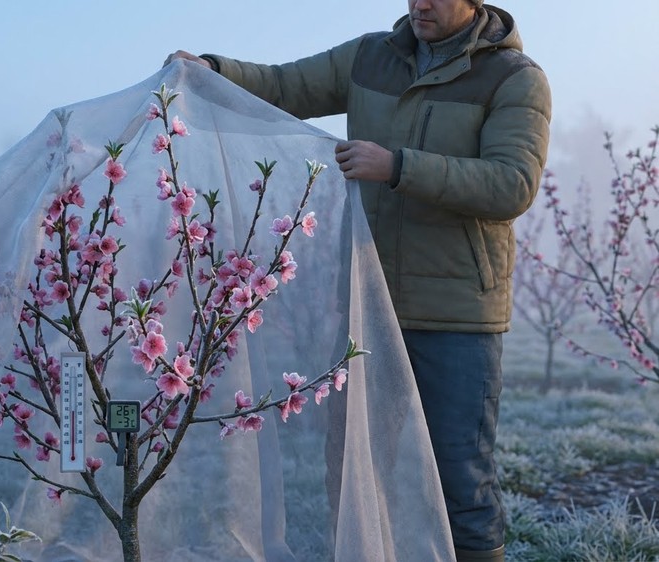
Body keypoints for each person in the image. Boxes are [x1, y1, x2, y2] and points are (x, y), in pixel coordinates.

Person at [165, 1, 550, 561]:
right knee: (351, 472)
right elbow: (284, 85)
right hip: (368, 304)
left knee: (459, 485)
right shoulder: (372, 56)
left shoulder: (515, 79)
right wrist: (212, 70)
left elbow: (512, 184)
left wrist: (397, 166)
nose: (420, 4)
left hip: (456, 315)